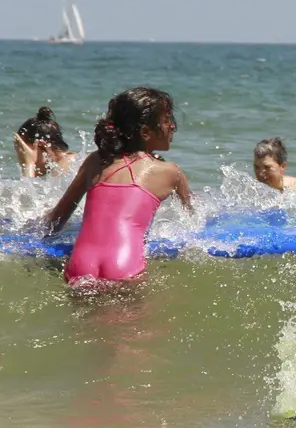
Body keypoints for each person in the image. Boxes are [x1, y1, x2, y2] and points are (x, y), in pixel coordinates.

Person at [40, 87, 192, 285]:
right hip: (124, 266)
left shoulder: (95, 162)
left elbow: (56, 220)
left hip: (80, 265)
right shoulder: (172, 172)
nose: (172, 126)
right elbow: (192, 218)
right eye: (167, 120)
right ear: (146, 132)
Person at [14, 106, 77, 177]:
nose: (22, 162)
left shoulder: (65, 167)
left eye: (25, 155)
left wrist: (29, 164)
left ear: (42, 145)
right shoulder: (71, 162)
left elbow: (26, 188)